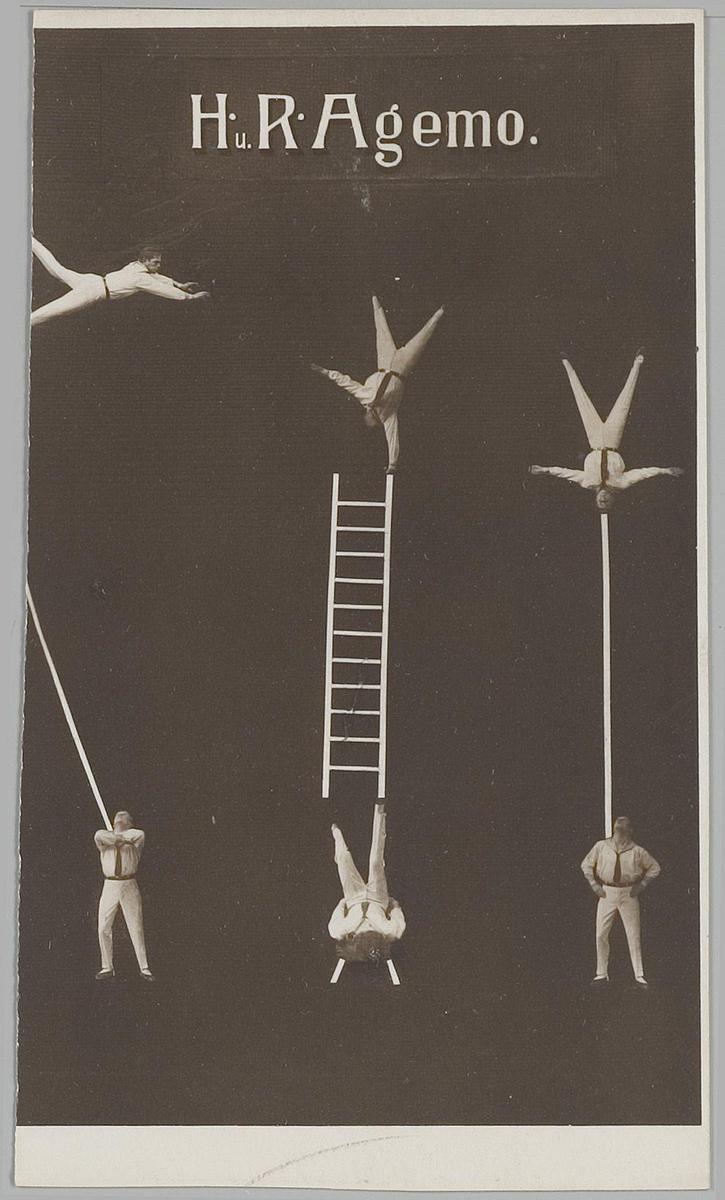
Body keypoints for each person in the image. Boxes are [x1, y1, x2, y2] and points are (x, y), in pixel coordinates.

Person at [530, 354, 683, 510]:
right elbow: (642, 473)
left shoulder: (587, 482)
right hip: (612, 440)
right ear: (613, 499)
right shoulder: (621, 483)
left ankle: (566, 363)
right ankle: (638, 362)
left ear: (595, 499)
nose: (603, 498)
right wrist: (665, 471)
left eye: (600, 501)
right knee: (624, 404)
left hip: (594, 440)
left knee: (582, 403)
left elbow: (566, 473)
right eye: (606, 502)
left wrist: (545, 470)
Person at [312, 295, 444, 473]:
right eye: (373, 425)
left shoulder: (365, 399)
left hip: (384, 363)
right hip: (402, 368)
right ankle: (441, 311)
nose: (371, 421)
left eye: (368, 421)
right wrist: (392, 464)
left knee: (381, 329)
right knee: (422, 338)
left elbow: (345, 382)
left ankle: (373, 296)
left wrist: (325, 372)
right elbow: (392, 437)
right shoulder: (387, 416)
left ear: (366, 416)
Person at [31, 237, 211, 327]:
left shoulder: (135, 266)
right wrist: (190, 297)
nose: (159, 265)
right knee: (50, 312)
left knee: (56, 269)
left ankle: (31, 240)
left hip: (92, 280)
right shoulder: (141, 278)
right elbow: (162, 289)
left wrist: (179, 284)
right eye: (156, 262)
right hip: (93, 291)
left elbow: (157, 277)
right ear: (145, 261)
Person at [581, 815, 661, 989]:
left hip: (628, 893)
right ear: (614, 830)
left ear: (630, 831)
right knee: (600, 933)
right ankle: (601, 973)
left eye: (623, 829)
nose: (620, 832)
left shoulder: (637, 851)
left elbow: (655, 868)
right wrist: (594, 885)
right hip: (607, 893)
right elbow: (586, 864)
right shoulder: (601, 846)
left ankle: (639, 975)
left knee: (633, 935)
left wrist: (642, 885)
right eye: (618, 829)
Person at [328, 803, 406, 963]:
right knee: (376, 861)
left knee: (343, 860)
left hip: (354, 899)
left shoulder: (340, 931)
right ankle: (380, 810)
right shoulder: (389, 932)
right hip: (377, 899)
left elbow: (335, 920)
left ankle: (336, 832)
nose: (370, 944)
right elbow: (398, 920)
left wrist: (343, 903)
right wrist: (394, 905)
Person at [94, 810, 154, 981]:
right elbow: (98, 836)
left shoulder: (136, 840)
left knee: (135, 926)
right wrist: (117, 838)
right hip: (110, 885)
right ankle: (107, 967)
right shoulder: (103, 838)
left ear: (130, 823)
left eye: (124, 817)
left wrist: (116, 838)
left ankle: (144, 967)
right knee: (103, 927)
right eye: (118, 817)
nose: (120, 818)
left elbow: (139, 834)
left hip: (129, 884)